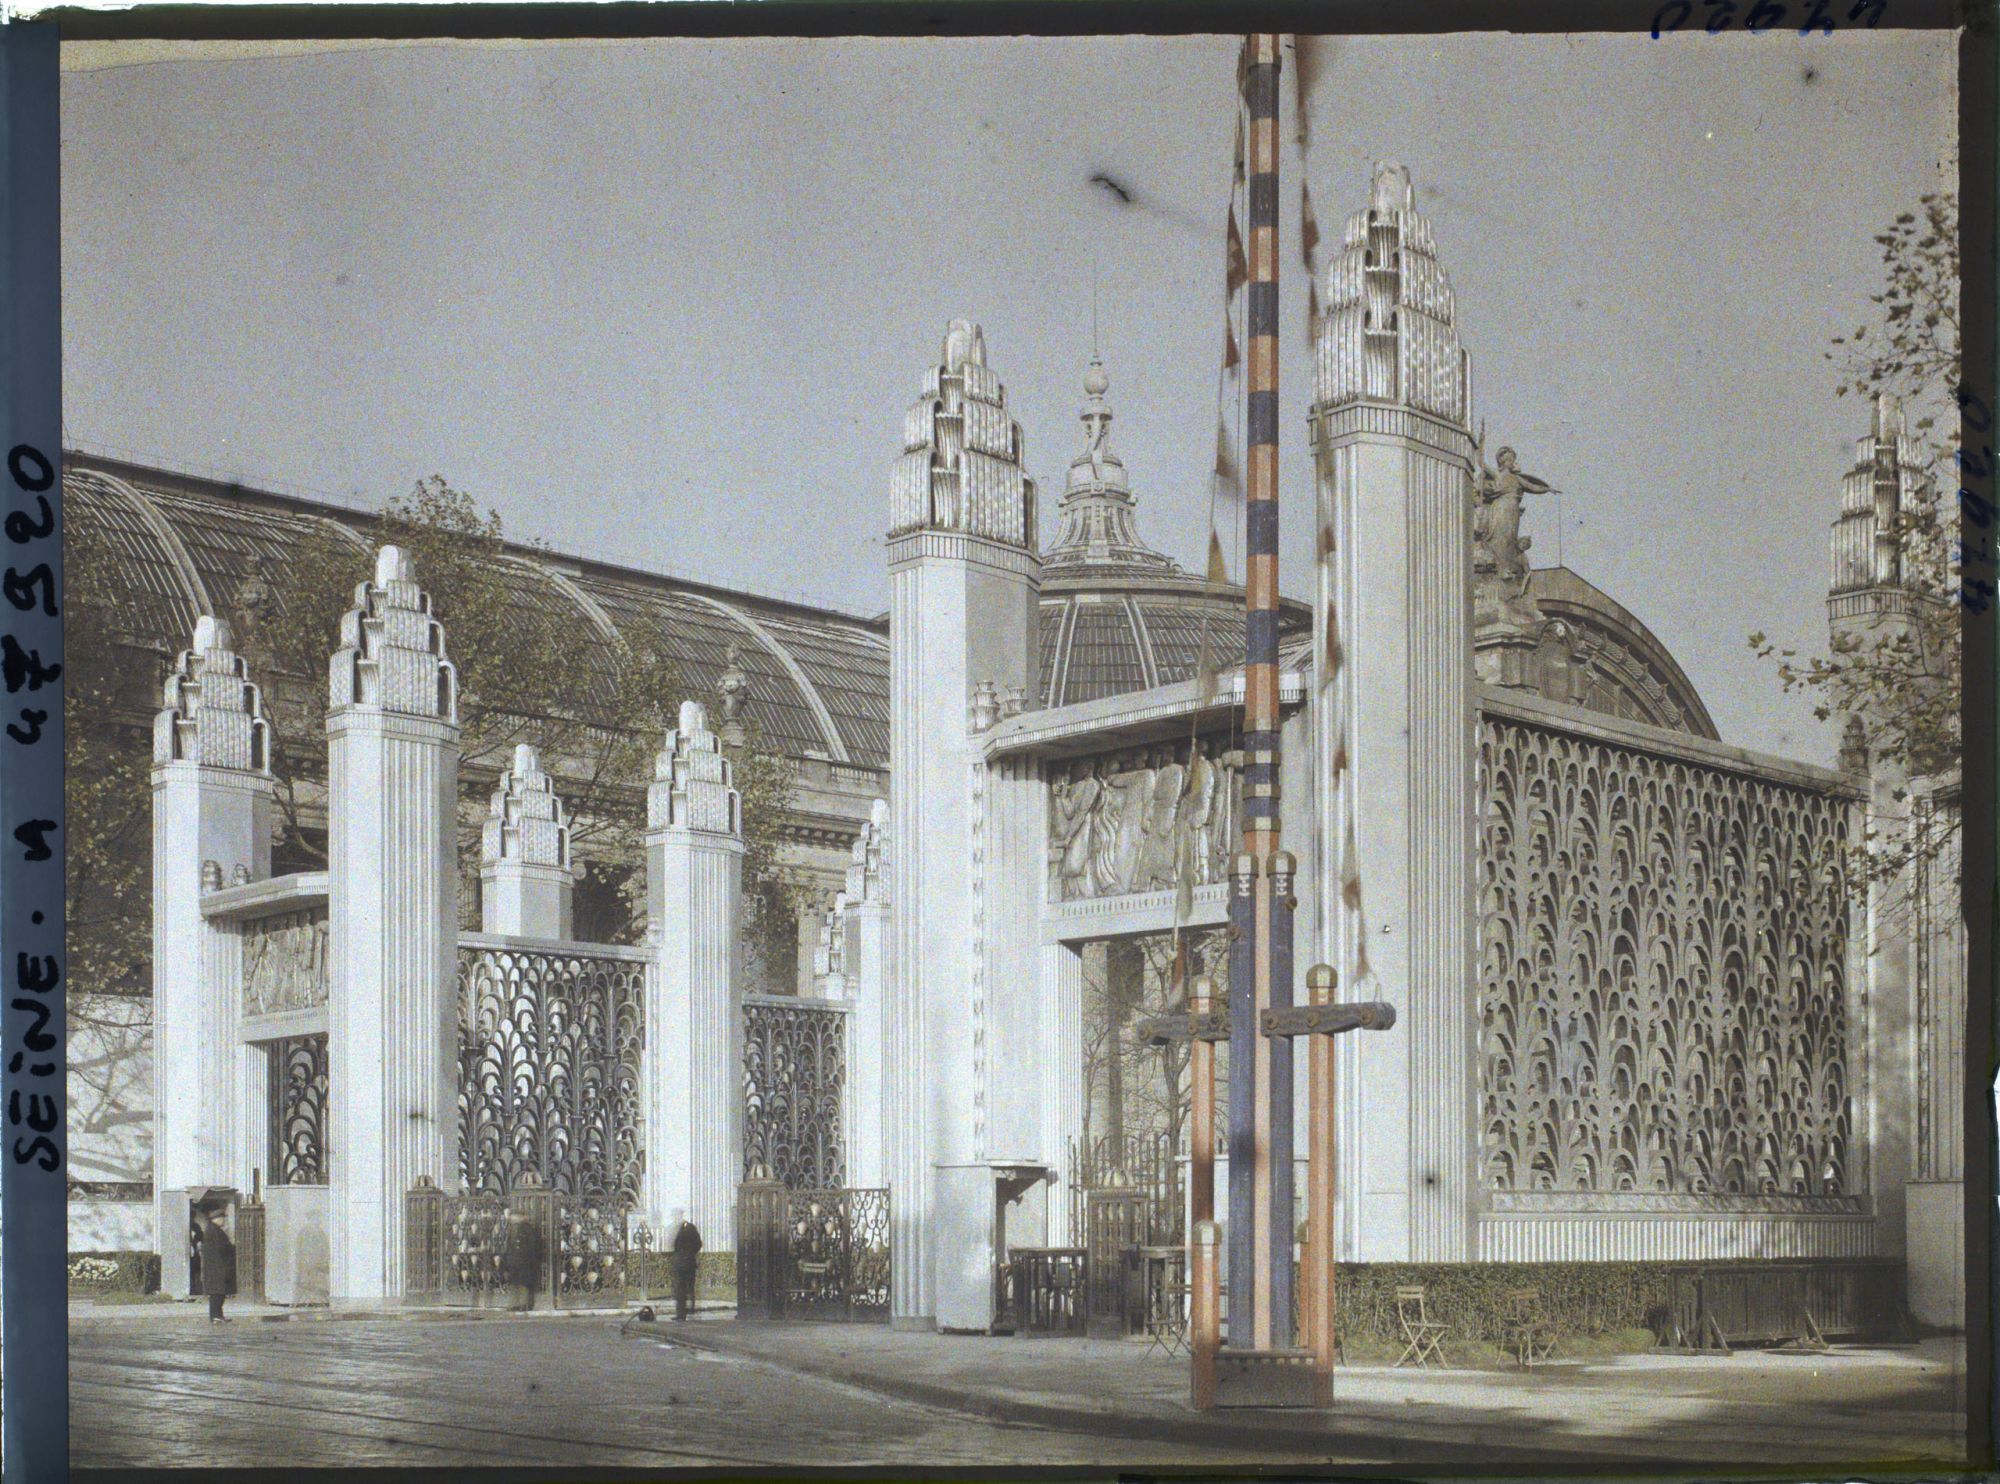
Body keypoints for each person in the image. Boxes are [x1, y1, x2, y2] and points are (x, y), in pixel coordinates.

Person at [195, 1208, 236, 1324]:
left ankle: (217, 1315)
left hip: (215, 1267)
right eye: (223, 1218)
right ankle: (216, 1316)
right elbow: (221, 1249)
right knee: (217, 1293)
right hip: (217, 1267)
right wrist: (231, 1248)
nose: (224, 1221)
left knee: (218, 1293)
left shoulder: (212, 1229)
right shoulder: (215, 1231)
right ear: (217, 1219)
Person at [669, 1209, 702, 1321]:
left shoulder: (688, 1228)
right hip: (684, 1261)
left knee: (685, 1287)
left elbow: (698, 1243)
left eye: (676, 1215)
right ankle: (682, 1312)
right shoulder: (678, 1228)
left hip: (686, 1261)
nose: (675, 1217)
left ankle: (686, 1310)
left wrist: (689, 1253)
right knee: (682, 1288)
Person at [510, 1210, 545, 1312]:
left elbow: (532, 1246)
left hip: (525, 1261)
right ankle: (517, 1304)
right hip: (516, 1261)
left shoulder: (528, 1229)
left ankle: (524, 1304)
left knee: (524, 1284)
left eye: (514, 1216)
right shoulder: (514, 1228)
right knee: (517, 1283)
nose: (511, 1219)